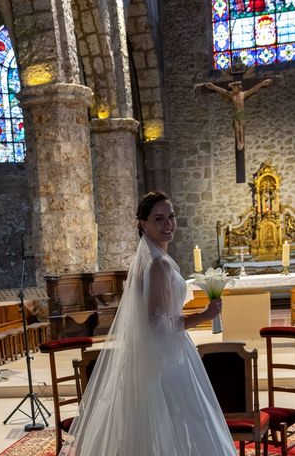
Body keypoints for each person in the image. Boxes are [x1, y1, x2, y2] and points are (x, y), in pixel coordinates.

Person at [61, 191, 236, 455]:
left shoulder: (156, 260)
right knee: (184, 422)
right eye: (159, 219)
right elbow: (159, 323)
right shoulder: (156, 265)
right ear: (143, 224)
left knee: (181, 425)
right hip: (165, 359)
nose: (168, 224)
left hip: (165, 353)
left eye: (171, 216)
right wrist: (204, 315)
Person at [201, 78, 273, 151]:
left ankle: (242, 142)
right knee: (236, 128)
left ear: (238, 88)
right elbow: (222, 90)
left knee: (241, 127)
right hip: (235, 112)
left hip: (241, 112)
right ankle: (238, 142)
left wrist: (263, 83)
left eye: (235, 88)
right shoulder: (232, 95)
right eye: (233, 88)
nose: (234, 89)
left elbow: (253, 89)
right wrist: (213, 86)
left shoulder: (243, 94)